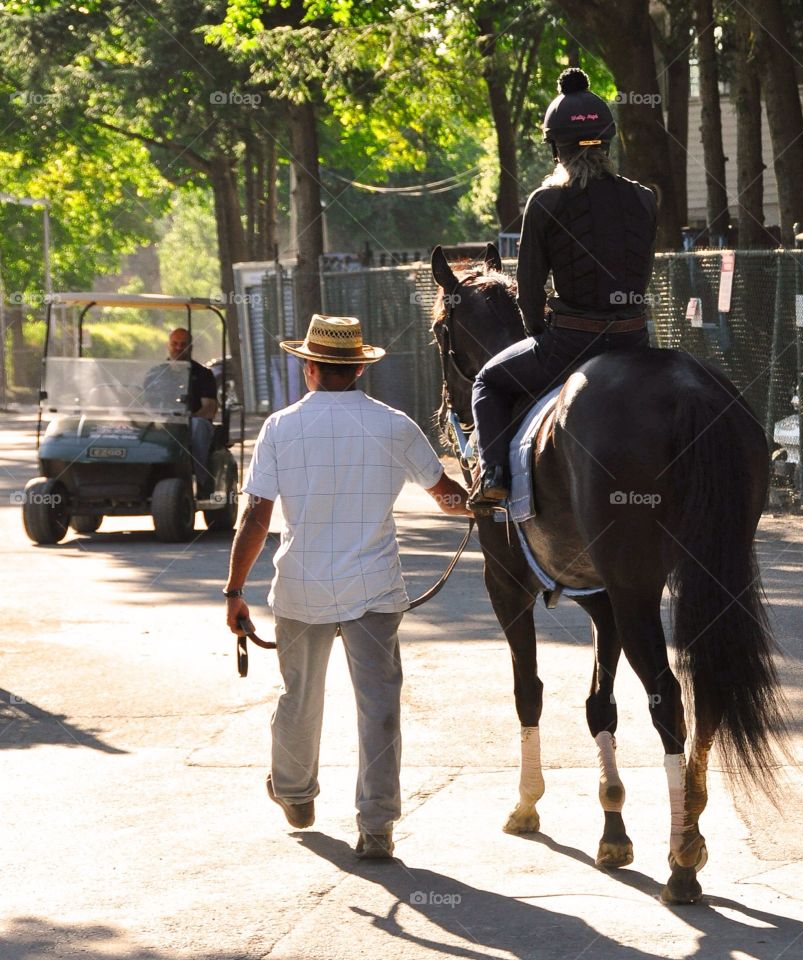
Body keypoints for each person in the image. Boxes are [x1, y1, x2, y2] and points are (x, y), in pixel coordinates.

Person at [223, 314, 471, 859]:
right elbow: (445, 496)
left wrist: (234, 590)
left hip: (301, 588)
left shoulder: (280, 427)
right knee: (379, 706)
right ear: (358, 367)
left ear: (309, 368)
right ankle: (377, 826)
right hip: (374, 589)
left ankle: (295, 792)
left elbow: (256, 517)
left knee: (298, 696)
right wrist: (483, 503)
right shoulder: (395, 425)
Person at [471, 67, 658, 506]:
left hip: (571, 344)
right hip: (634, 342)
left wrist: (536, 331)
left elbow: (530, 285)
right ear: (607, 142)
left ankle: (495, 475)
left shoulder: (545, 202)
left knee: (486, 383)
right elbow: (640, 272)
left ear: (556, 148)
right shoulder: (644, 197)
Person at [167, 328, 218, 496]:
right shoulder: (158, 373)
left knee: (197, 426)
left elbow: (210, 407)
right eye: (175, 344)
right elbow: (145, 402)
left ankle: (200, 481)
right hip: (165, 422)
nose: (178, 348)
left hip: (192, 421)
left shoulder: (203, 374)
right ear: (168, 345)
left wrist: (190, 417)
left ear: (190, 347)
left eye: (183, 344)